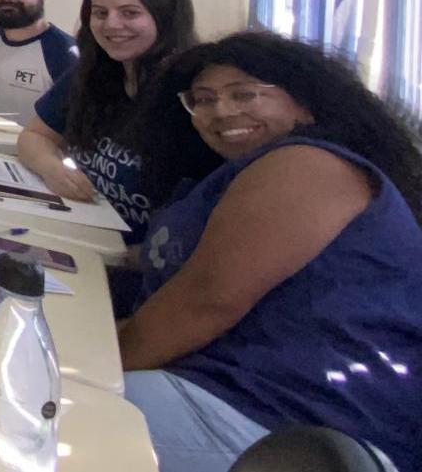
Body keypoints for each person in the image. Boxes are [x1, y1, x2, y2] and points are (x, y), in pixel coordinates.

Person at [118, 31, 421, 472]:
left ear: (304, 101)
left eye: (245, 94)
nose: (221, 111)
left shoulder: (306, 166)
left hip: (293, 427)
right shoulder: (240, 173)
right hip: (236, 392)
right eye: (202, 99)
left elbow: (207, 303)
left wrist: (82, 357)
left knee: (17, 407)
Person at [17, 0, 197, 247]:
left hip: (135, 267)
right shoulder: (93, 72)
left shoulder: (195, 97)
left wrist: (116, 258)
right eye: (100, 13)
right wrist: (52, 168)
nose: (112, 25)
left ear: (165, 17)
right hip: (78, 234)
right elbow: (34, 135)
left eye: (130, 13)